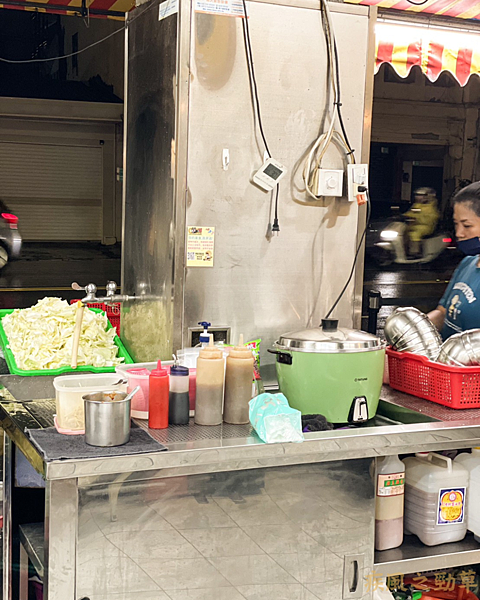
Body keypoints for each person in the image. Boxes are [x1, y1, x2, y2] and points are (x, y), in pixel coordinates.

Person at [428, 182, 480, 340]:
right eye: (456, 224)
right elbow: (443, 312)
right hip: (447, 362)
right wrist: (414, 328)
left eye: (467, 225)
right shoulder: (467, 263)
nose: (459, 233)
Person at [404, 187, 440, 257]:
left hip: (425, 227)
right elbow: (410, 213)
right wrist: (403, 216)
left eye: (421, 195)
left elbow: (429, 219)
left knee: (415, 234)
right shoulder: (417, 205)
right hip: (414, 225)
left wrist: (415, 218)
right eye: (417, 195)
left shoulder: (431, 207)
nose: (418, 197)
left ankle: (415, 252)